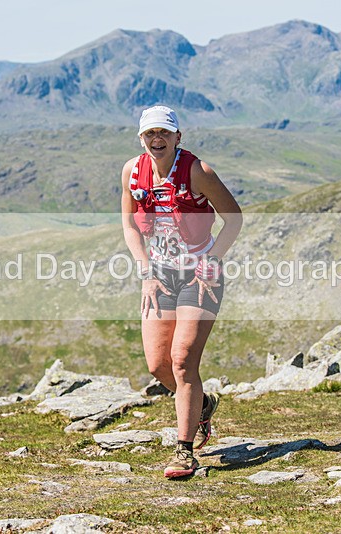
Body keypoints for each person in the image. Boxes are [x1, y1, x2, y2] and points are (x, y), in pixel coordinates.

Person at [121, 105, 242, 477]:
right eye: (149, 134)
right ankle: (201, 404)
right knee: (158, 365)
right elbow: (128, 223)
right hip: (158, 276)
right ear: (141, 138)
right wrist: (145, 270)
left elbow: (233, 218)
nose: (156, 139)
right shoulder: (131, 170)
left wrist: (213, 260)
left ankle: (184, 450)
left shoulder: (198, 171)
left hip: (199, 276)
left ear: (177, 136)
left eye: (164, 133)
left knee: (183, 359)